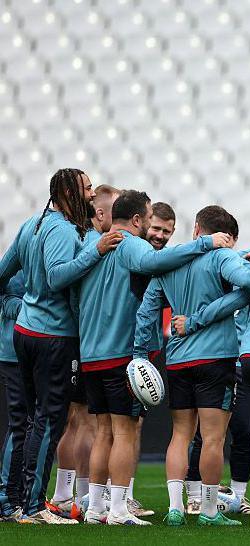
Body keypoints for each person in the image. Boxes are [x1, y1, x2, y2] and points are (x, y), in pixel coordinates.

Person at [133, 205, 250, 527]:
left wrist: (139, 355)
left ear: (197, 228)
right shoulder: (223, 258)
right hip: (216, 357)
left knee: (180, 434)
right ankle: (209, 512)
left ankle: (176, 508)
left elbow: (146, 311)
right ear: (226, 238)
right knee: (212, 438)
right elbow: (249, 287)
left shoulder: (169, 263)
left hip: (177, 358)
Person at [78, 191, 229, 526]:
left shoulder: (95, 246)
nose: (151, 225)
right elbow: (152, 264)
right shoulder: (130, 244)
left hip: (90, 352)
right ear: (137, 220)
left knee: (103, 431)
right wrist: (204, 245)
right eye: (148, 218)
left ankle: (95, 508)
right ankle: (118, 509)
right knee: (125, 431)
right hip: (121, 352)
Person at [0, 169, 123, 524]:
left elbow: (3, 275)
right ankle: (34, 504)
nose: (89, 194)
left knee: (24, 420)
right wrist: (97, 250)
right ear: (68, 191)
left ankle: (10, 501)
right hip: (52, 336)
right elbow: (56, 277)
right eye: (85, 188)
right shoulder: (62, 229)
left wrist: (20, 308)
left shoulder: (31, 225)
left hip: (24, 333)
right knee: (49, 420)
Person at [47, 184, 121, 522]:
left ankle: (69, 495)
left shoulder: (82, 241)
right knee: (86, 422)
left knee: (76, 420)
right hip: (83, 341)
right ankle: (76, 496)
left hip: (76, 340)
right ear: (103, 214)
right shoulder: (92, 245)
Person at [0, 271, 26, 521]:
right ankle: (6, 499)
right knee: (20, 425)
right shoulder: (18, 266)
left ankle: (19, 496)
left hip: (29, 354)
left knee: (27, 424)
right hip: (14, 354)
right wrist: (38, 307)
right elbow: (6, 301)